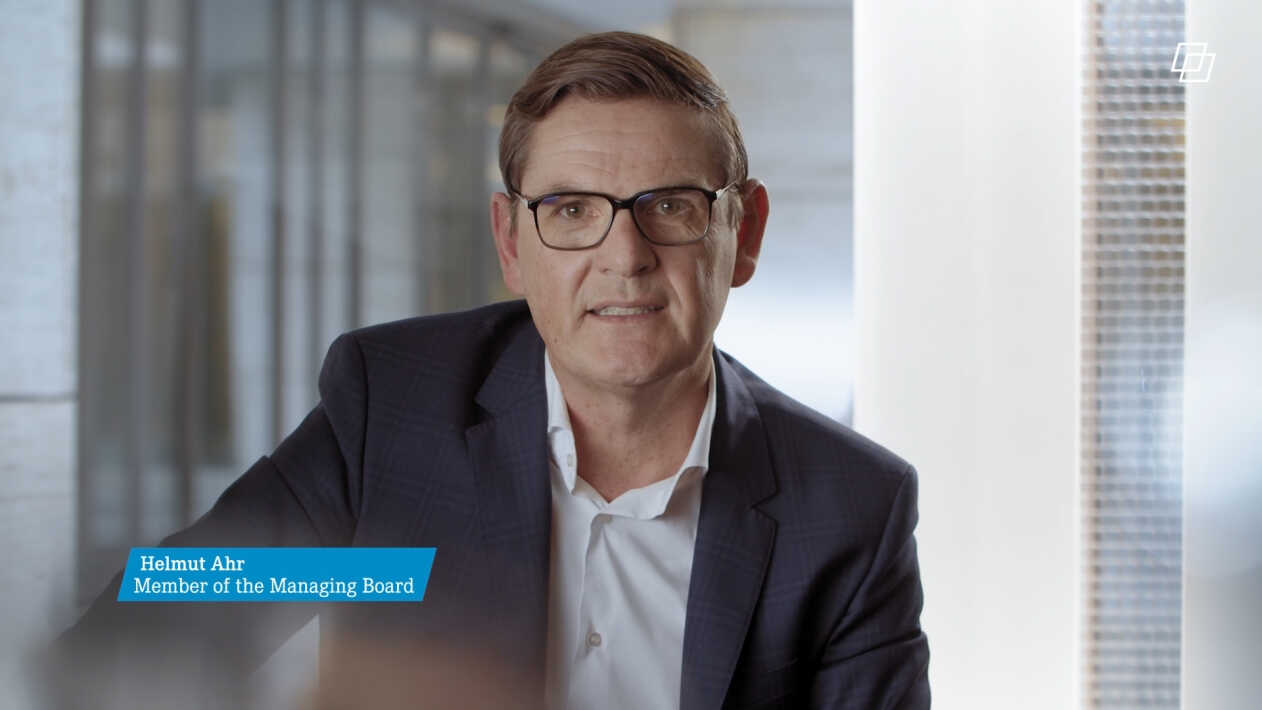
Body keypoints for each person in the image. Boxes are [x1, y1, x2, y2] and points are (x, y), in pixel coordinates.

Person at [52, 31, 929, 710]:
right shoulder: (394, 415)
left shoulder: (848, 508)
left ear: (747, 233)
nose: (625, 256)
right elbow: (157, 627)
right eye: (572, 210)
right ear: (511, 242)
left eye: (670, 206)